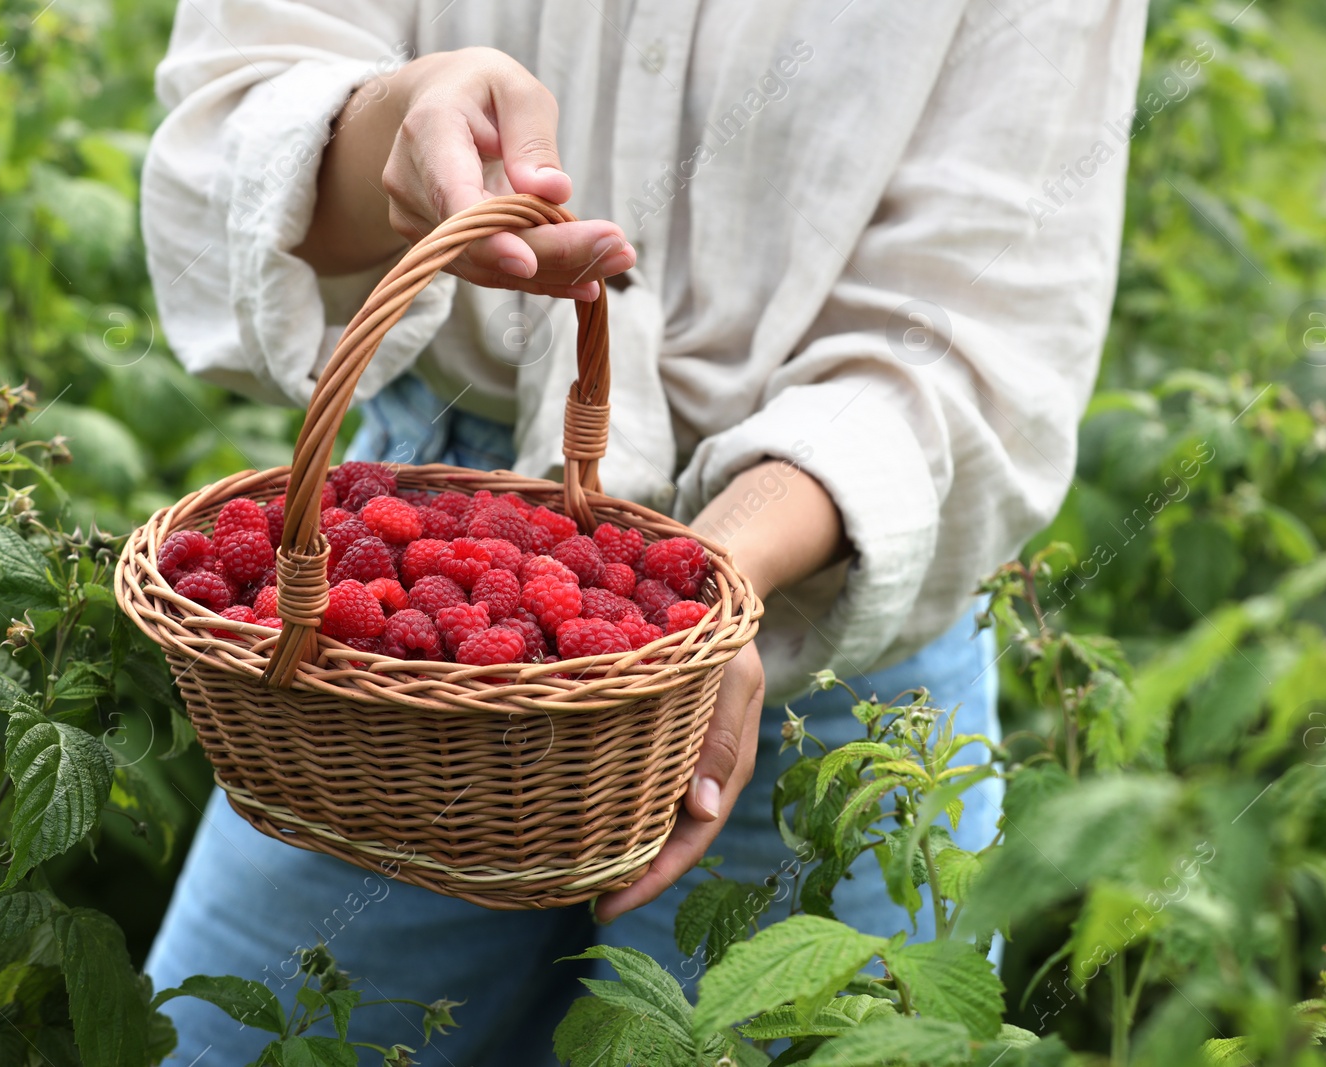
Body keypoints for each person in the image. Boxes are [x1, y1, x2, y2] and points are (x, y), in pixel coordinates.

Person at [140, 0, 1146, 1062]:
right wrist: (396, 120)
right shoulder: (412, 591)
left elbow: (974, 326)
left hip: (829, 612)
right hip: (395, 672)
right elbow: (240, 107)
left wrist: (710, 598)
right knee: (220, 1042)